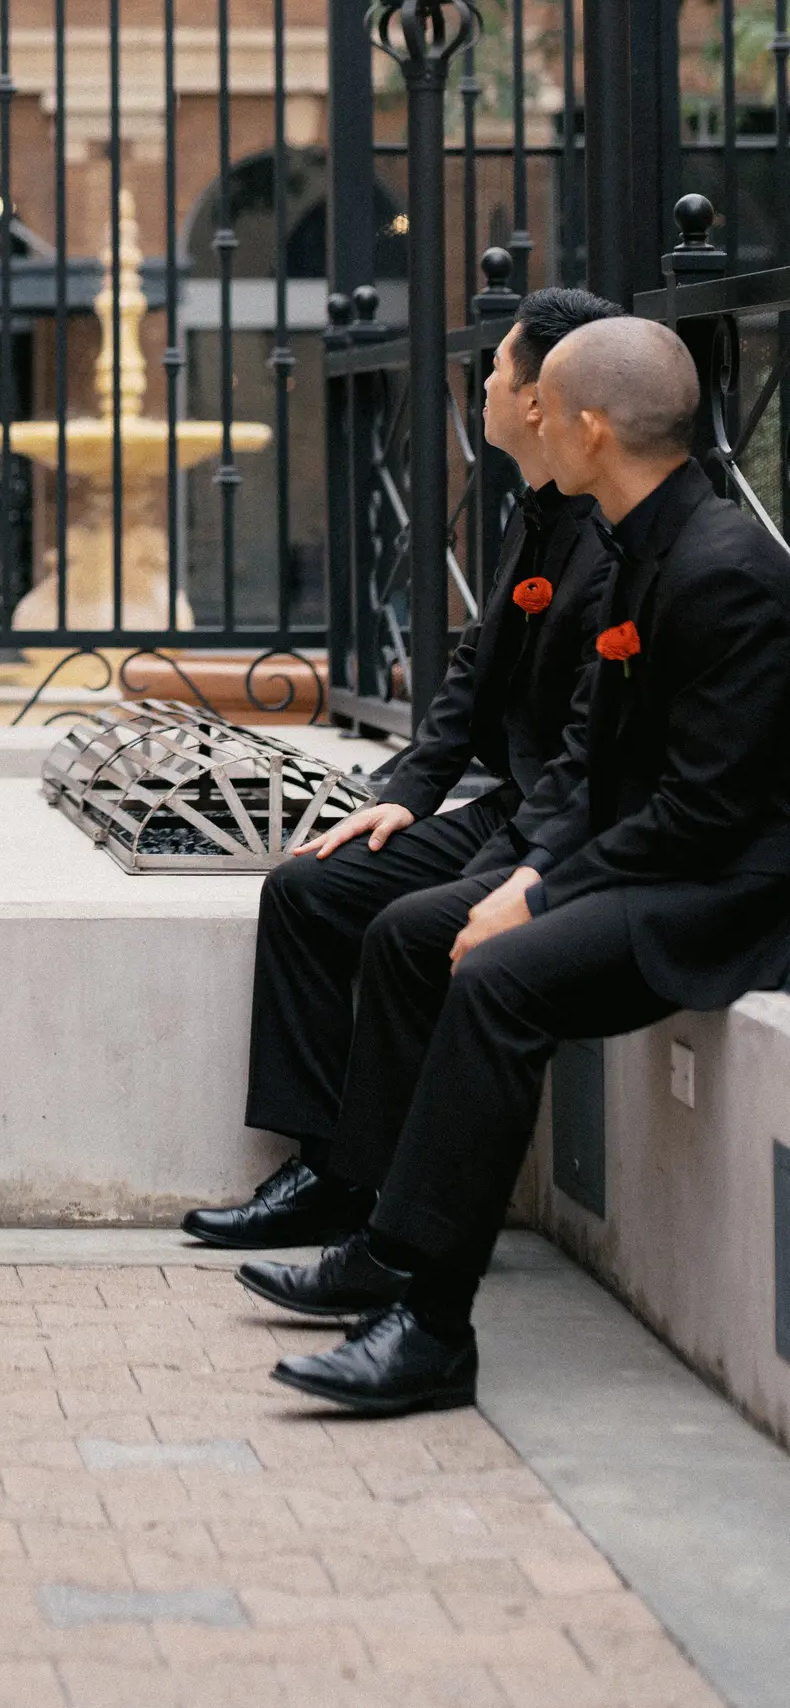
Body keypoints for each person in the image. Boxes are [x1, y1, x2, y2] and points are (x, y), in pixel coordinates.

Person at [259, 315, 790, 1417]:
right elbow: (593, 761)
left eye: (548, 399)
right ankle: (384, 1245)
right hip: (657, 859)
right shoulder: (641, 540)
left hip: (732, 895)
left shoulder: (722, 568)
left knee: (499, 978)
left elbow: (706, 811)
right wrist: (525, 874)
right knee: (419, 934)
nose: (529, 412)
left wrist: (542, 893)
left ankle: (433, 1326)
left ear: (591, 429)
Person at [183, 286, 617, 1255]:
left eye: (495, 371)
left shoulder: (611, 535)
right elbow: (471, 678)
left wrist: (525, 864)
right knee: (306, 891)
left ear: (540, 399)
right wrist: (400, 801)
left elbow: (599, 754)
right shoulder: (536, 509)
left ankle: (374, 1202)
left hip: (554, 824)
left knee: (405, 932)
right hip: (507, 804)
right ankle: (320, 1166)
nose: (484, 386)